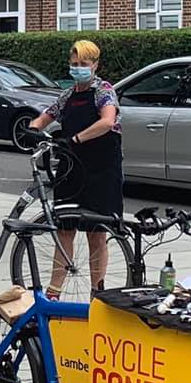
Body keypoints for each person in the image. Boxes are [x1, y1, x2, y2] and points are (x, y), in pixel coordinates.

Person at [29, 39, 123, 300]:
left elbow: (107, 121)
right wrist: (34, 128)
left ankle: (97, 293)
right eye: (74, 64)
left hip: (100, 168)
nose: (78, 68)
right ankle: (54, 290)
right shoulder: (68, 94)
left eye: (83, 64)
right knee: (64, 229)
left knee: (96, 232)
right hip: (71, 168)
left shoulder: (103, 91)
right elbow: (48, 114)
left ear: (95, 65)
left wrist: (75, 139)